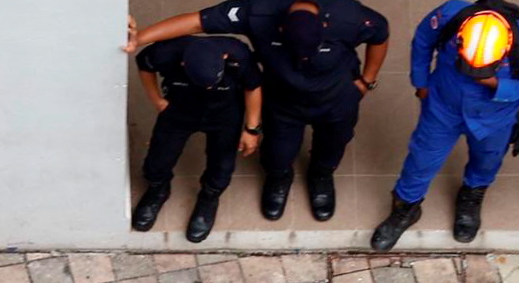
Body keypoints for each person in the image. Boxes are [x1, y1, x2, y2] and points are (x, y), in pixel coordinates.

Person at [127, 0, 390, 223]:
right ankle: (279, 178)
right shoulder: (258, 10)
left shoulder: (351, 16)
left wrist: (367, 80)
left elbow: (381, 34)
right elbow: (197, 22)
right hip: (283, 101)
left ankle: (320, 175)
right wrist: (139, 39)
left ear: (324, 26)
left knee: (333, 144)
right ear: (279, 27)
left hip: (337, 99)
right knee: (278, 151)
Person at [370, 0, 519, 251]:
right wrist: (420, 83)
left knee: (487, 160)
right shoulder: (449, 16)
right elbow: (423, 40)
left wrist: (495, 84)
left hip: (494, 118)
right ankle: (406, 207)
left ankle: (472, 194)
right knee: (421, 160)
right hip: (443, 108)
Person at [129, 35, 263, 241]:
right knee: (158, 159)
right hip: (180, 109)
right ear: (183, 64)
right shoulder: (165, 52)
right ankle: (158, 190)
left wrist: (252, 129)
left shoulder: (238, 53)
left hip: (224, 114)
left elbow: (252, 88)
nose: (208, 87)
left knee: (222, 164)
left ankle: (209, 197)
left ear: (224, 57)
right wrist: (156, 99)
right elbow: (144, 65)